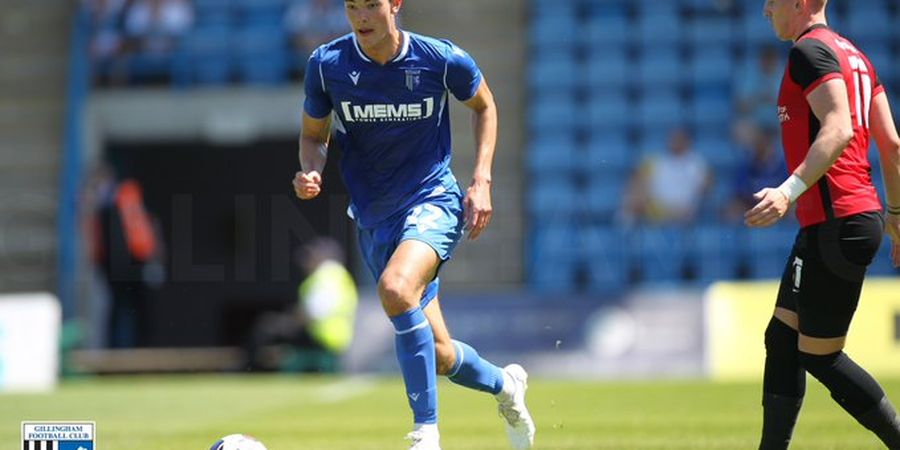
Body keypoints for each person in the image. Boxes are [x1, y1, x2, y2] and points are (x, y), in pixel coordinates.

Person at [292, 1, 535, 448]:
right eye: (352, 6)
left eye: (371, 5)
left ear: (395, 4)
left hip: (432, 201)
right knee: (440, 355)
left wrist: (481, 179)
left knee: (396, 288)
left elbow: (485, 106)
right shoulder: (327, 67)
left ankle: (426, 433)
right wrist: (312, 169)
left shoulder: (440, 58)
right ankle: (506, 385)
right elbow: (314, 134)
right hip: (374, 219)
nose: (361, 16)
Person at [747, 1, 900, 448]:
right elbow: (890, 144)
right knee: (782, 339)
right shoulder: (857, 58)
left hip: (838, 222)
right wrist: (895, 216)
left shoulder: (807, 53)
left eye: (772, 2)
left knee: (822, 357)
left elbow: (837, 130)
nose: (765, 10)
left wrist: (785, 192)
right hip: (840, 221)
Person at [245, 238, 358, 372]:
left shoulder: (327, 275)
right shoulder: (335, 275)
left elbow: (314, 310)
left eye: (310, 256)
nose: (305, 262)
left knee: (274, 340)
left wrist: (284, 323)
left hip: (322, 342)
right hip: (330, 341)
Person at [621, 128, 712, 225]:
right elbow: (637, 178)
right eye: (673, 139)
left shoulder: (697, 163)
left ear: (687, 141)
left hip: (684, 211)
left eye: (679, 139)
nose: (675, 142)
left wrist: (695, 204)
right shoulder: (657, 160)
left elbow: (706, 187)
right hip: (655, 207)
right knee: (633, 198)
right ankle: (627, 232)